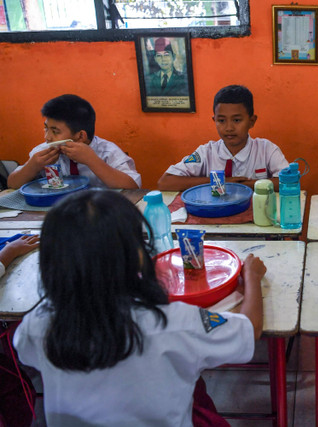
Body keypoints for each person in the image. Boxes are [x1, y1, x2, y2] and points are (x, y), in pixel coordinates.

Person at [13, 190, 266, 426]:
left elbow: (26, 353)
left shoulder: (37, 325)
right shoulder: (174, 322)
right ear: (137, 254)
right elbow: (250, 329)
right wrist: (251, 277)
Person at [158, 85, 289, 191]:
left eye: (237, 120)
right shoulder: (206, 152)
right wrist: (220, 181)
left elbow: (289, 182)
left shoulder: (266, 149)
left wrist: (241, 185)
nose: (229, 128)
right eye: (221, 120)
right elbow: (165, 182)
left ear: (252, 121)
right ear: (214, 120)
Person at [7, 94, 141, 189]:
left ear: (80, 136)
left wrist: (92, 160)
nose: (47, 137)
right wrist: (32, 167)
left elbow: (133, 186)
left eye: (55, 131)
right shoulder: (43, 152)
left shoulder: (108, 152)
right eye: (46, 129)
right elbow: (12, 183)